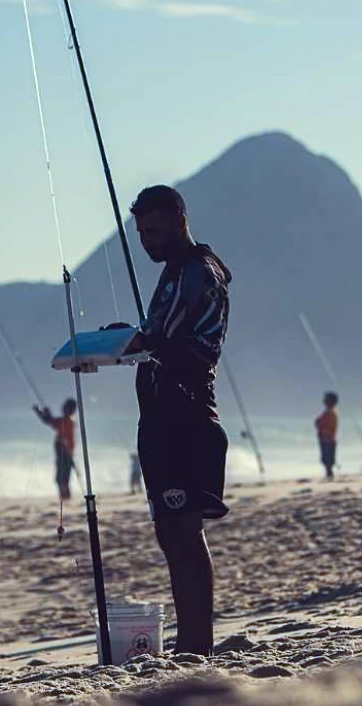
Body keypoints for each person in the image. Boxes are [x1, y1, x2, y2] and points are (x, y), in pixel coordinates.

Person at [126, 185, 231, 656]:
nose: (147, 242)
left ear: (180, 221)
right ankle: (190, 642)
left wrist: (141, 343)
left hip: (186, 414)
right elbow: (160, 335)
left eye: (154, 231)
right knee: (169, 531)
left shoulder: (198, 271)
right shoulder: (174, 271)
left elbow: (187, 345)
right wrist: (133, 339)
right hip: (160, 415)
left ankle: (196, 644)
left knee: (185, 531)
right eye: (141, 234)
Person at [33, 399, 78, 501]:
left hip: (65, 454)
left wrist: (43, 413)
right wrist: (44, 413)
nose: (63, 408)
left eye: (66, 407)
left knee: (62, 479)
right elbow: (51, 421)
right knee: (62, 479)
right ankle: (65, 498)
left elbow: (51, 421)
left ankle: (65, 499)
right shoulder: (67, 421)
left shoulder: (67, 422)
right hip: (65, 454)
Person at [314, 391, 339, 480]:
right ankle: (328, 474)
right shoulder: (329, 412)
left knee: (328, 459)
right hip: (326, 438)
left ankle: (329, 474)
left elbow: (323, 424)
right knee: (325, 458)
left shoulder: (331, 413)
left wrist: (320, 426)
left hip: (328, 439)